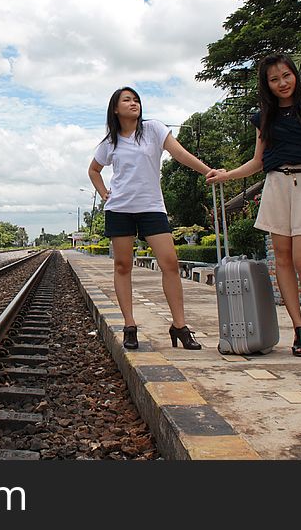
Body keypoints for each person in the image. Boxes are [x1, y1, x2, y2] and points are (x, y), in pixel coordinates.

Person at [206, 53, 301, 356]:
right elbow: (258, 162)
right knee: (281, 259)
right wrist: (226, 175)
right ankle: (298, 329)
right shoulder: (263, 117)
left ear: (295, 75)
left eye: (286, 75)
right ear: (266, 84)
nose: (282, 83)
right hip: (277, 184)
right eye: (274, 79)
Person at [88, 86, 213, 350]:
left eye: (136, 100)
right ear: (115, 108)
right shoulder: (110, 142)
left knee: (169, 263)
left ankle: (180, 326)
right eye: (127, 100)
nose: (134, 103)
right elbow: (94, 170)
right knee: (123, 266)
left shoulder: (154, 129)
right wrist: (104, 195)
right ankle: (130, 325)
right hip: (119, 209)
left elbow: (179, 153)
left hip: (152, 207)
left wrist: (208, 171)